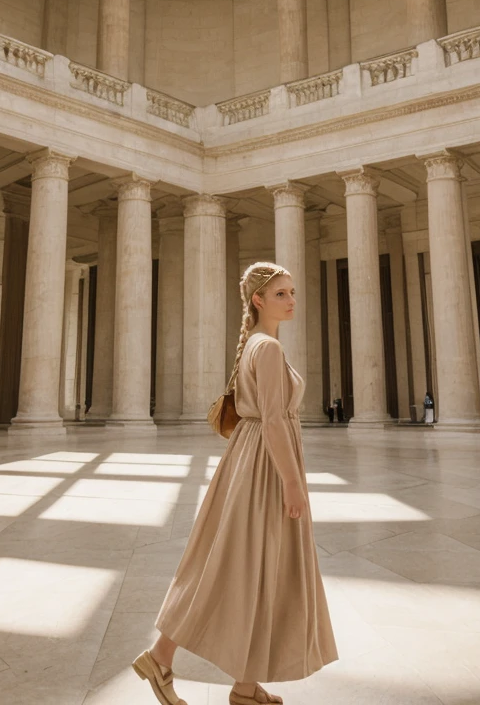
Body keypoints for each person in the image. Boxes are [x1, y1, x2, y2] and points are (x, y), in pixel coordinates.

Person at [132, 262, 338, 705]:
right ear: (258, 300)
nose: (292, 300)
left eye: (293, 291)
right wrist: (292, 484)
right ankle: (162, 655)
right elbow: (273, 423)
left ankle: (243, 685)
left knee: (255, 569)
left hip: (251, 462)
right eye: (281, 293)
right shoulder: (266, 350)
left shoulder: (259, 346)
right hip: (264, 467)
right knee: (238, 567)